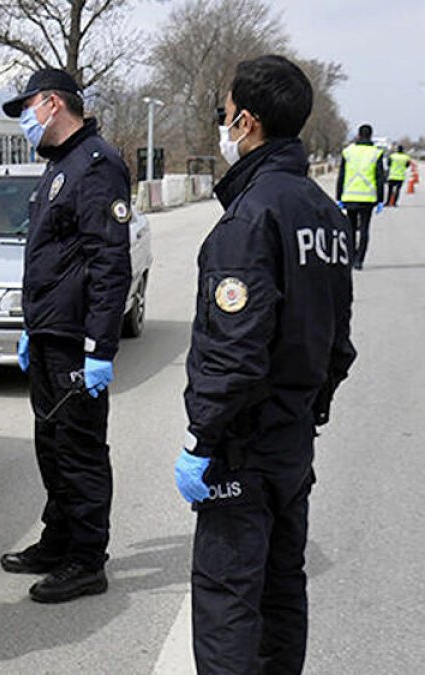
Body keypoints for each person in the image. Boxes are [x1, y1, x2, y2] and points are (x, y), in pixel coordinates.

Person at [174, 55, 357, 674]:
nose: (221, 126)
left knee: (229, 603)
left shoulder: (250, 218)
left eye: (223, 114)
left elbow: (234, 351)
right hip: (292, 441)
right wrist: (304, 411)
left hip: (243, 449)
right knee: (282, 592)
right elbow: (339, 342)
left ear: (247, 121)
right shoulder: (326, 214)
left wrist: (204, 439)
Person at [0, 68, 133, 603]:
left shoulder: (97, 166)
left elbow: (109, 264)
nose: (25, 120)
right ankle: (58, 540)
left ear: (53, 103)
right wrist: (34, 328)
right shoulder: (62, 166)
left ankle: (86, 559)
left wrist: (100, 348)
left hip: (77, 342)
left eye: (27, 108)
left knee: (79, 449)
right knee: (51, 444)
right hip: (51, 334)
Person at [336, 123, 386, 269]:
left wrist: (339, 196)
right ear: (370, 135)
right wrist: (381, 199)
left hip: (349, 196)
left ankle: (351, 257)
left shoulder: (348, 152)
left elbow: (342, 175)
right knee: (364, 229)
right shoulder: (376, 153)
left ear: (358, 135)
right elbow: (379, 178)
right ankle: (359, 260)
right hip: (367, 198)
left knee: (350, 229)